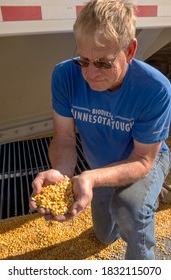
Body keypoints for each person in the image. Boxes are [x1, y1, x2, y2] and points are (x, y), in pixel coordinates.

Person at [30, 0, 171, 260]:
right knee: (105, 235)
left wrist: (92, 179)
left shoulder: (155, 89)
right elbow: (64, 137)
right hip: (100, 165)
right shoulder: (63, 75)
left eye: (103, 63)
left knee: (129, 208)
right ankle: (157, 193)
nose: (90, 74)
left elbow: (142, 160)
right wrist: (61, 172)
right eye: (84, 60)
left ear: (129, 50)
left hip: (146, 158)